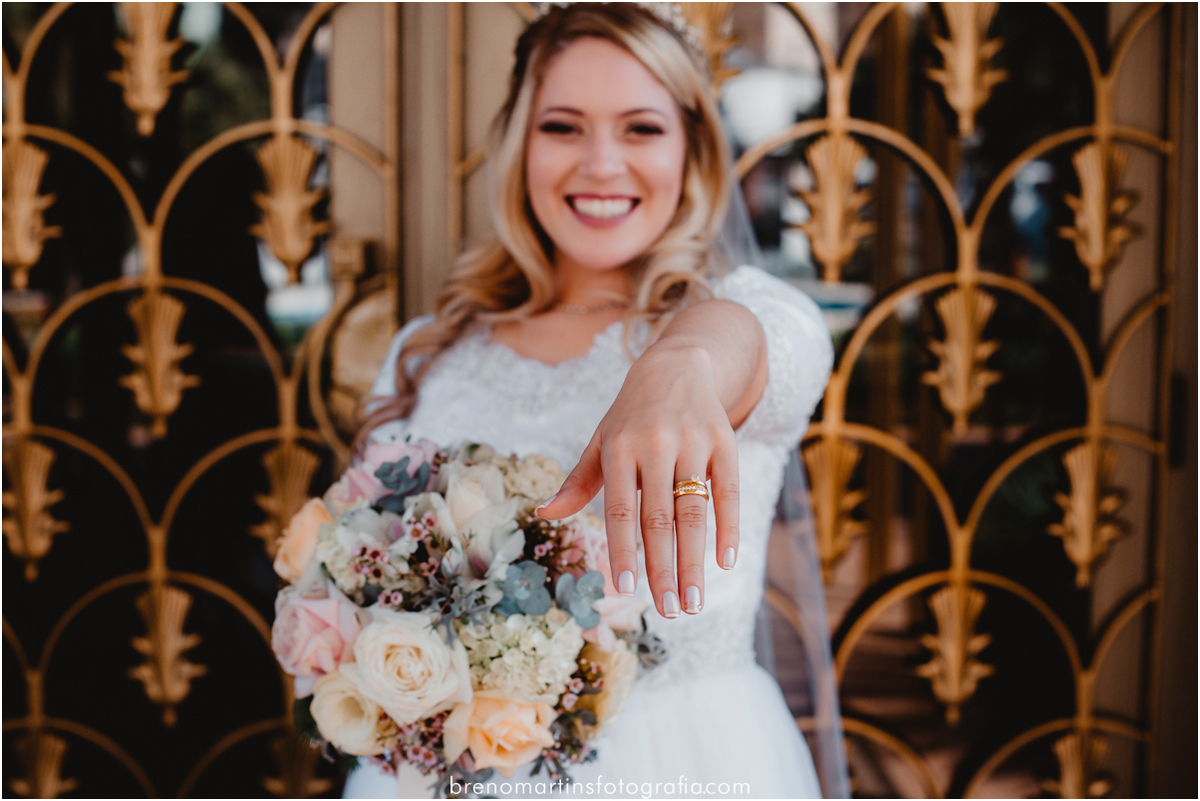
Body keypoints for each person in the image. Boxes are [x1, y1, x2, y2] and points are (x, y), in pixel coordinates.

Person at [345, 4, 840, 798]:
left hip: (686, 765)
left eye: (641, 128)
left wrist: (680, 360)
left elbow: (745, 345)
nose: (601, 163)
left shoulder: (752, 314)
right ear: (519, 144)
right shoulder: (426, 352)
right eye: (564, 126)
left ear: (692, 147)